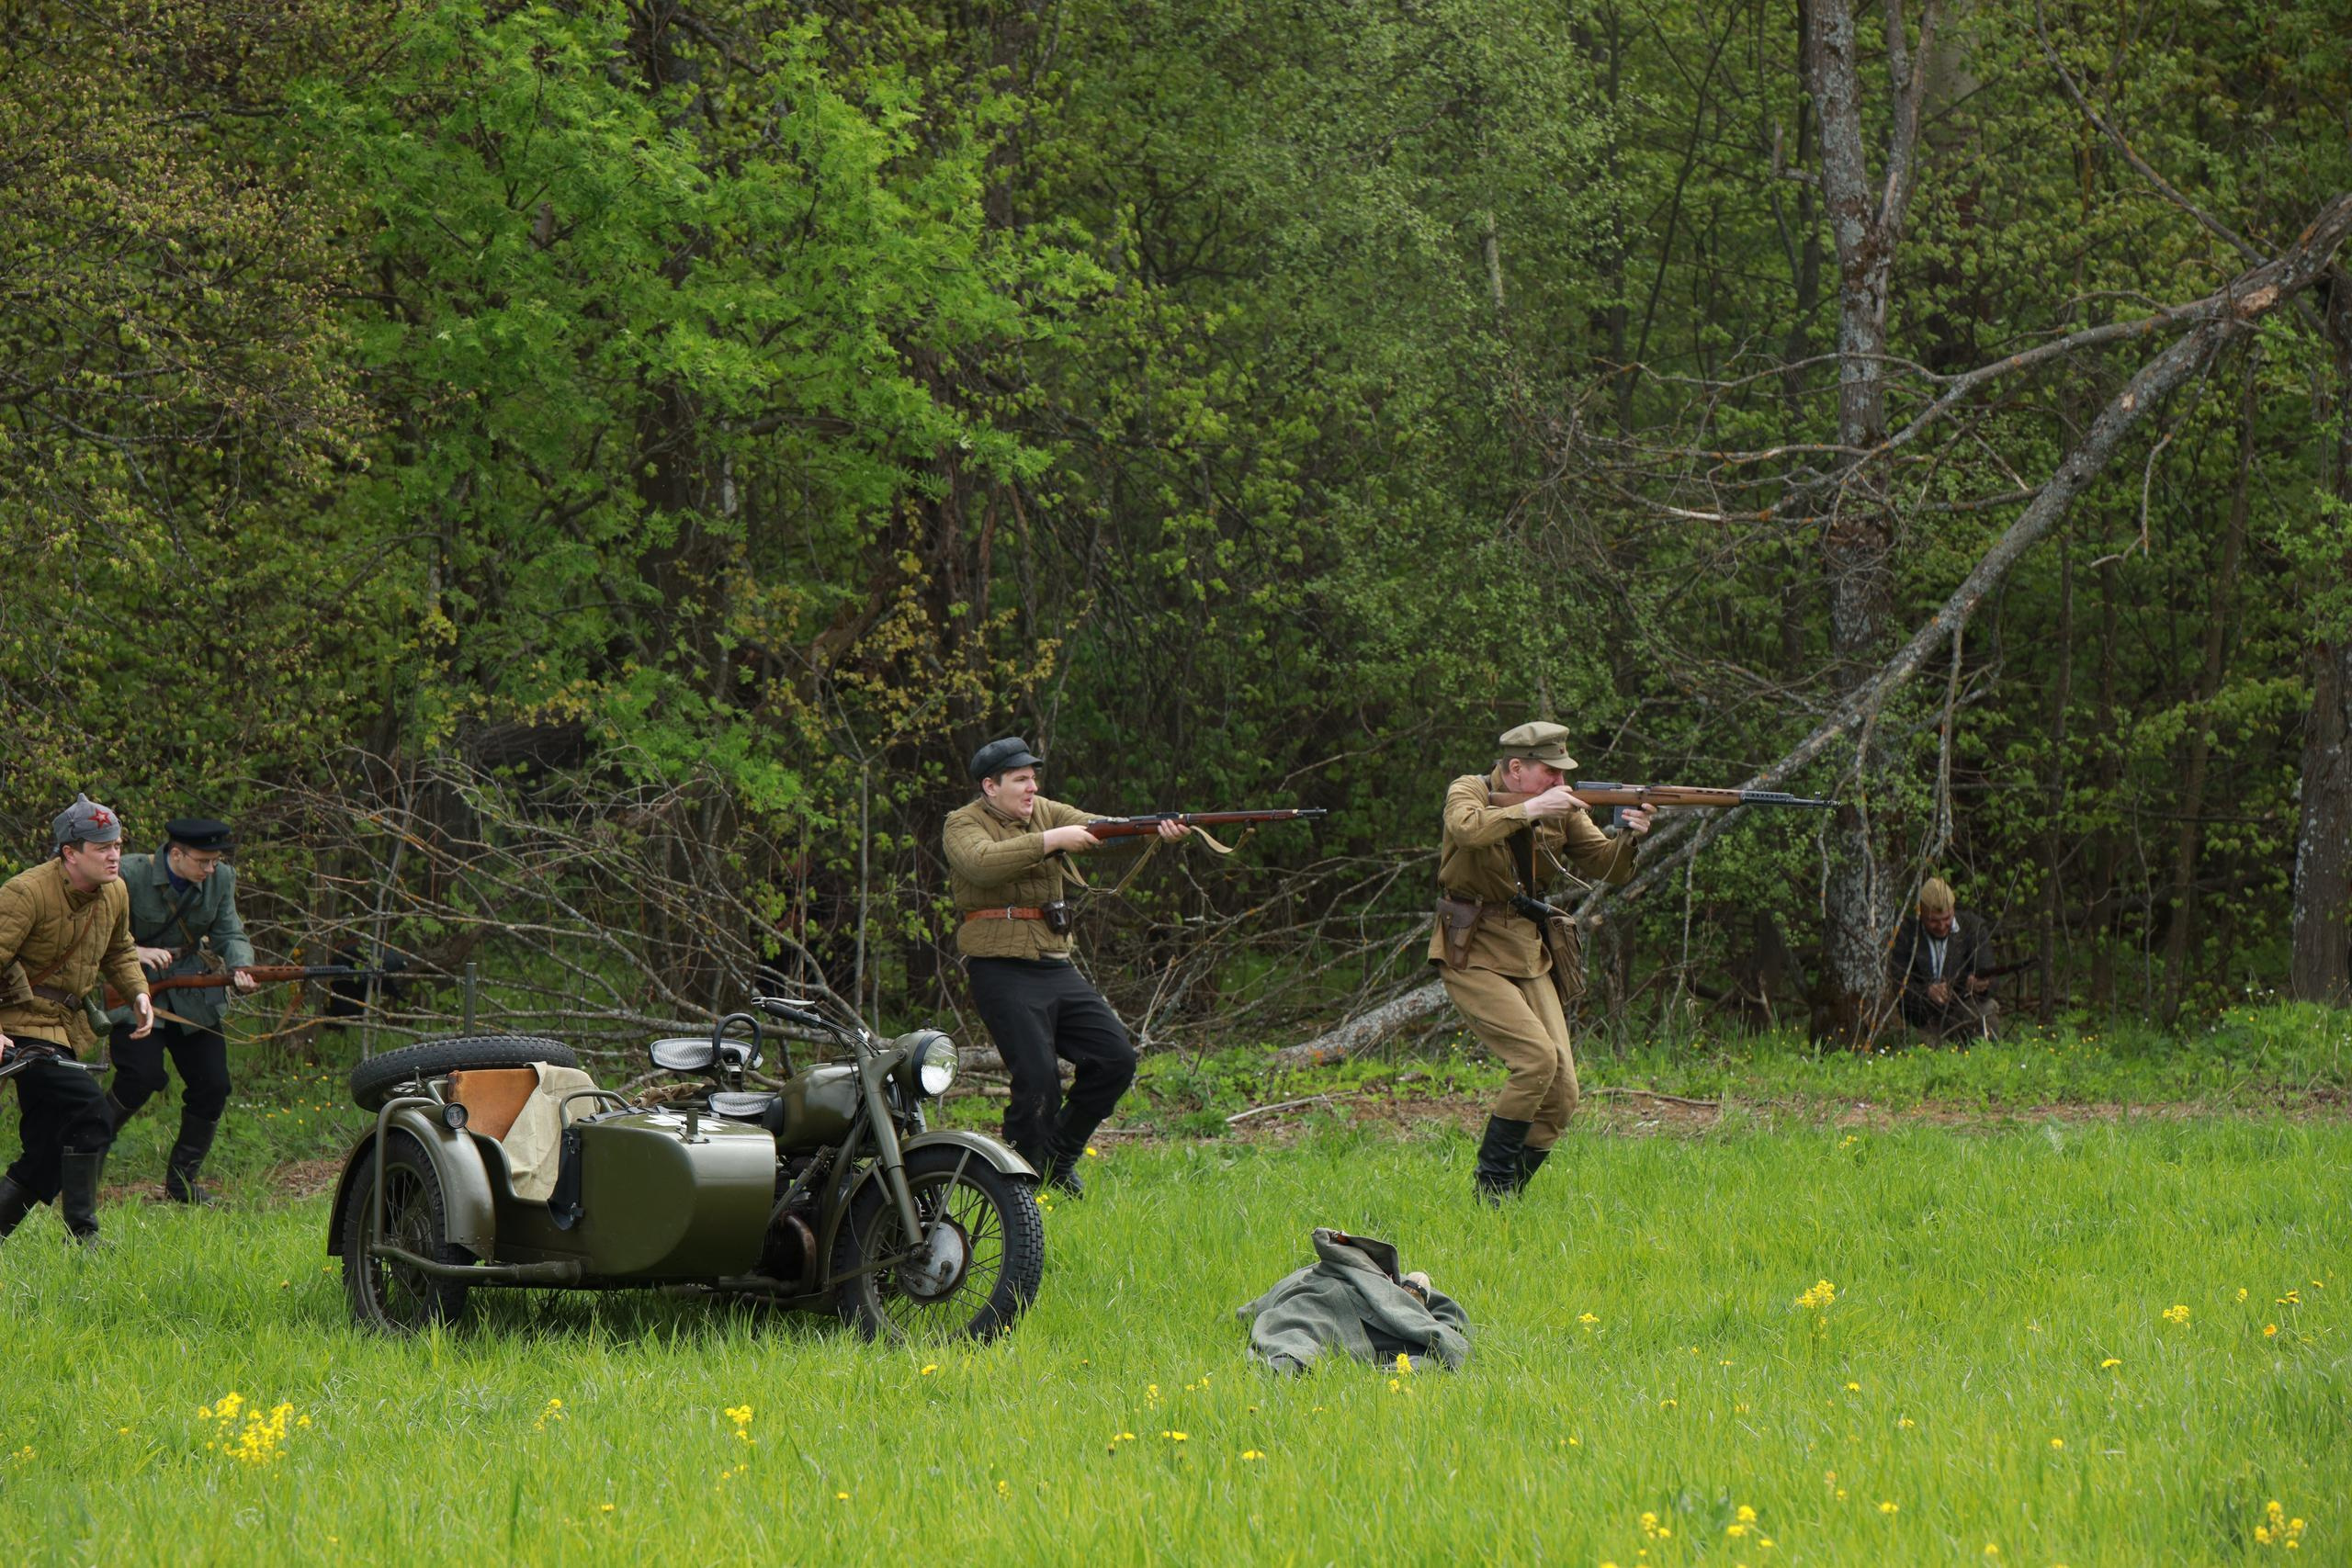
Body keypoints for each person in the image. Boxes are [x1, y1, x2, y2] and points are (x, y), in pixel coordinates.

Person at [941, 737, 1188, 1196]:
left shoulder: (1045, 810)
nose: (1032, 787)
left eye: (1033, 778)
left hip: (1054, 965)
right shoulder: (962, 824)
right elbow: (981, 865)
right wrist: (1050, 840)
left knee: (1116, 1059)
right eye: (1021, 779)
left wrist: (1154, 829)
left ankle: (1058, 1156)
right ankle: (1016, 1190)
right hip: (1000, 969)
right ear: (990, 787)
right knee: (1037, 1081)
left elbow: (1102, 832)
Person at [1431, 723, 1652, 1202]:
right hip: (1470, 948)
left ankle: (1508, 1197)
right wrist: (1532, 808)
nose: (1559, 783)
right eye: (1549, 773)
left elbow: (1605, 866)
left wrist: (1630, 836)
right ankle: (1489, 1193)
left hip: (1528, 950)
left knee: (1563, 1092)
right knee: (1535, 1061)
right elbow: (1467, 831)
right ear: (1516, 768)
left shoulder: (1563, 809)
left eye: (1561, 774)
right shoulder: (1470, 790)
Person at [0, 795, 155, 1247]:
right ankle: (83, 1232)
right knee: (89, 1112)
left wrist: (139, 993)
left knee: (48, 1143)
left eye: (118, 846)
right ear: (70, 852)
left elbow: (120, 950)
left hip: (66, 1029)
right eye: (102, 847)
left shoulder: (116, 891)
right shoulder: (26, 892)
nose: (114, 856)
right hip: (21, 1026)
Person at [105, 817, 256, 1204]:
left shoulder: (222, 880)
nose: (211, 870)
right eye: (204, 862)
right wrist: (134, 952)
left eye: (215, 862)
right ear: (176, 854)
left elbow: (229, 932)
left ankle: (181, 1184)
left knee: (214, 1085)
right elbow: (95, 929)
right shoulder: (128, 874)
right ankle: (80, 1153)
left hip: (191, 991)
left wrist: (241, 965)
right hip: (133, 988)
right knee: (141, 1078)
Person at [1887, 877, 2001, 1043]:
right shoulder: (1906, 932)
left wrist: (1980, 986)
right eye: (1933, 921)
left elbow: (1992, 977)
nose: (1941, 926)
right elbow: (1897, 982)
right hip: (1921, 1017)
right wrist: (1927, 992)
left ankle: (1986, 1060)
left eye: (1946, 919)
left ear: (1953, 909)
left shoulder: (1973, 927)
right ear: (1920, 912)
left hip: (1961, 1009)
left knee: (1987, 1010)